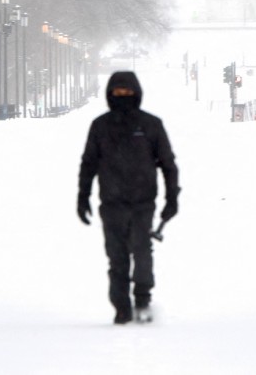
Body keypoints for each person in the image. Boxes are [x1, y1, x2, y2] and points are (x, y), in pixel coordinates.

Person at [77, 70, 180, 324]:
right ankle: (122, 306)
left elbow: (168, 163)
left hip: (142, 203)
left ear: (137, 93)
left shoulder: (151, 125)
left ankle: (143, 299)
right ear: (110, 94)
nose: (123, 96)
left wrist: (171, 198)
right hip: (111, 203)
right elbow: (89, 163)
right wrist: (83, 196)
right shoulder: (100, 126)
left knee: (142, 251)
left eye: (127, 92)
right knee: (117, 257)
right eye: (118, 92)